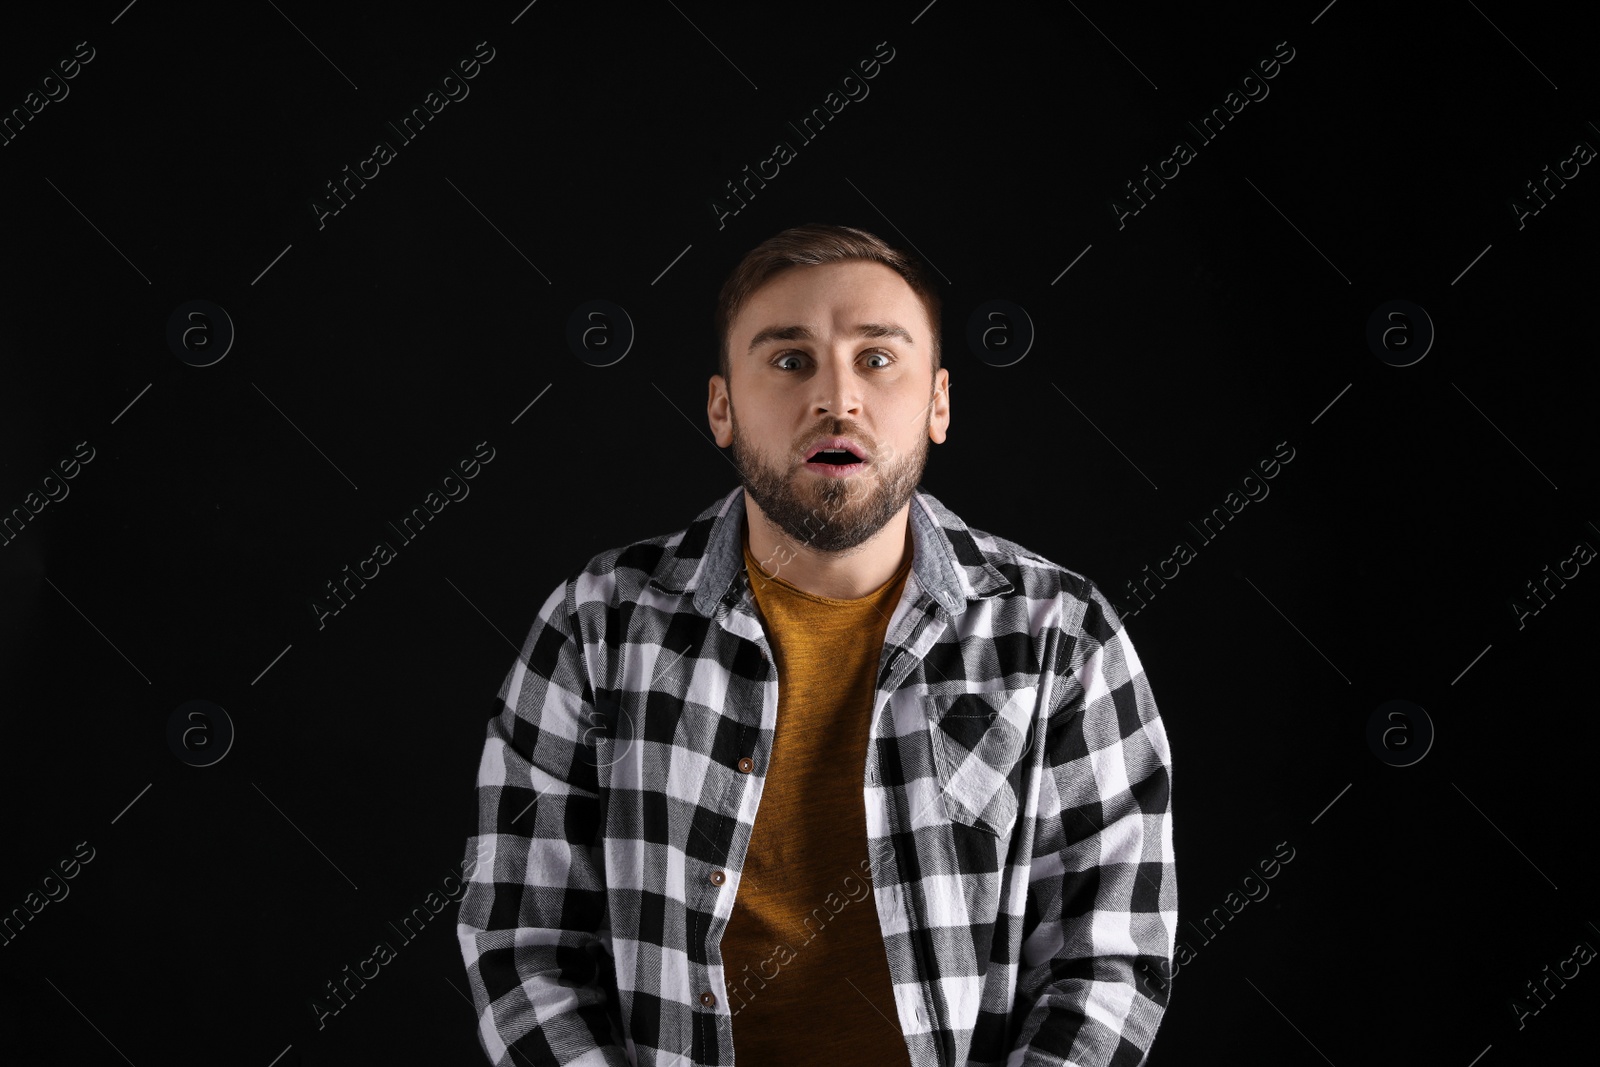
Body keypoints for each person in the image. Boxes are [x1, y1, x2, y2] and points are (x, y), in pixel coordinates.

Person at [456, 223, 1177, 1066]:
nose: (838, 398)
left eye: (877, 358)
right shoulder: (596, 626)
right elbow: (521, 941)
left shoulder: (1061, 634)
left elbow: (1112, 964)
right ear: (722, 407)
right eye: (790, 360)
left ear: (938, 402)